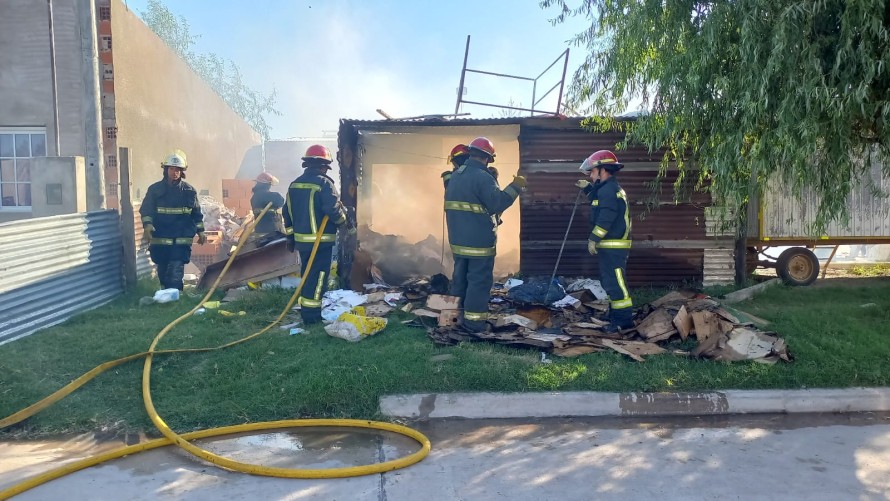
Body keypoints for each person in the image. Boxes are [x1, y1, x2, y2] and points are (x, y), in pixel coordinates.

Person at [445, 137, 527, 332]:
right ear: (488, 158)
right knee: (478, 282)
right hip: (478, 243)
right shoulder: (483, 177)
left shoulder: (455, 176)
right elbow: (497, 203)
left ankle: (452, 317)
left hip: (458, 241)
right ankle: (474, 323)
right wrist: (516, 186)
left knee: (460, 279)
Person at [282, 144, 353, 324]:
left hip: (302, 243)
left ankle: (307, 311)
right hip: (320, 242)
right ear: (323, 166)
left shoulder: (294, 184)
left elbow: (286, 212)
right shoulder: (324, 183)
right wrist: (345, 223)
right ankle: (311, 317)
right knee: (319, 277)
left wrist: (290, 237)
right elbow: (333, 209)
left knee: (308, 274)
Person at [576, 149, 634, 333]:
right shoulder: (607, 188)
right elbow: (599, 201)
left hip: (613, 246)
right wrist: (587, 188)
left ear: (603, 170)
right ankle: (616, 315)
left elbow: (606, 216)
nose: (591, 176)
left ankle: (623, 320)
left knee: (616, 283)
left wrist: (594, 238)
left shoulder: (609, 189)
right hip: (610, 246)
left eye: (592, 172)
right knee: (610, 282)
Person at [139, 150, 206, 292]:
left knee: (176, 268)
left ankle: (175, 296)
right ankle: (166, 295)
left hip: (181, 238)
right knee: (162, 269)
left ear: (182, 172)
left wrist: (201, 231)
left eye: (178, 170)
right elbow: (147, 209)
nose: (174, 172)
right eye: (171, 169)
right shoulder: (154, 190)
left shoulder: (189, 191)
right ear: (165, 169)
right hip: (161, 237)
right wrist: (148, 225)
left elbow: (196, 213)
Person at [250, 171, 285, 241]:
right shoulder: (271, 196)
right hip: (271, 233)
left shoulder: (254, 197)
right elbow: (281, 201)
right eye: (270, 184)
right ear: (266, 184)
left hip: (259, 231)